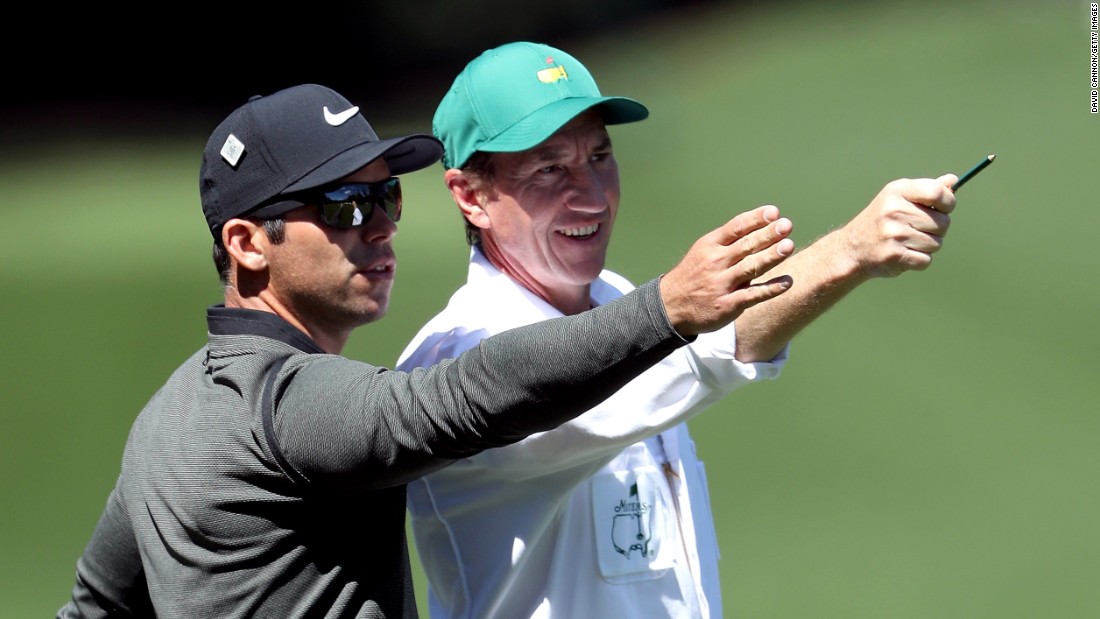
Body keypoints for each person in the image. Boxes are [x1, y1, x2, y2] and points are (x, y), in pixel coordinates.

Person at [57, 82, 795, 618]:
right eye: (344, 205)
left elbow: (93, 607)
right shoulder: (282, 403)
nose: (380, 228)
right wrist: (664, 309)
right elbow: (458, 397)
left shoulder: (165, 420)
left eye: (388, 200)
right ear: (248, 245)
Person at [396, 42, 958, 619]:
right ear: (472, 197)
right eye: (549, 168)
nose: (591, 196)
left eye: (600, 156)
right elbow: (703, 353)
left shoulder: (613, 296)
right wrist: (849, 252)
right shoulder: (459, 361)